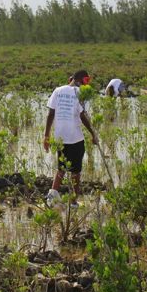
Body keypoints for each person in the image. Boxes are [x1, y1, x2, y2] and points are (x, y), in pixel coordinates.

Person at [43, 70, 99, 208]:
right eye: (86, 81)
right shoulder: (79, 93)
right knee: (76, 171)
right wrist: (93, 133)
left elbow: (50, 113)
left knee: (61, 168)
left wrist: (46, 135)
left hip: (60, 137)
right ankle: (73, 202)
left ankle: (51, 198)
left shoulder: (58, 90)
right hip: (75, 138)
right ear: (80, 80)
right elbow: (82, 116)